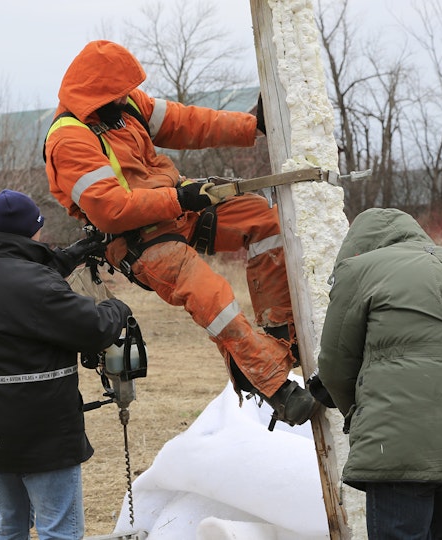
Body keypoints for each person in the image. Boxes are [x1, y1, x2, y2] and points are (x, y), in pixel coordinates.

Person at [43, 39, 317, 426]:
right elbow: (110, 210)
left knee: (264, 222)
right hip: (136, 238)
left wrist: (252, 125)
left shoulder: (127, 104)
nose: (127, 100)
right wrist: (179, 198)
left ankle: (280, 333)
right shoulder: (69, 140)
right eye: (119, 94)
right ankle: (269, 380)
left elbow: (184, 122)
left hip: (178, 207)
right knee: (211, 295)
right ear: (98, 92)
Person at [316, 208, 442, 539]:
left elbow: (336, 365)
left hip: (393, 435)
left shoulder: (359, 270)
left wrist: (362, 410)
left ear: (360, 243)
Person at [0, 189, 133, 540]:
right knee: (59, 531)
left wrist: (75, 255)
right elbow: (94, 328)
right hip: (42, 432)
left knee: (11, 526)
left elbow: (26, 278)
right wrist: (118, 308)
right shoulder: (37, 285)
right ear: (32, 230)